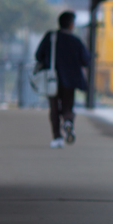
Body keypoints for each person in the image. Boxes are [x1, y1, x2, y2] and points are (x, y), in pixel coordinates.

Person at [35, 11, 91, 148]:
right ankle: (68, 122)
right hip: (70, 81)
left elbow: (38, 55)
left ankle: (57, 138)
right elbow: (86, 61)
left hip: (51, 79)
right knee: (68, 106)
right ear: (71, 25)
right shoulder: (76, 41)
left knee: (54, 108)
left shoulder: (50, 37)